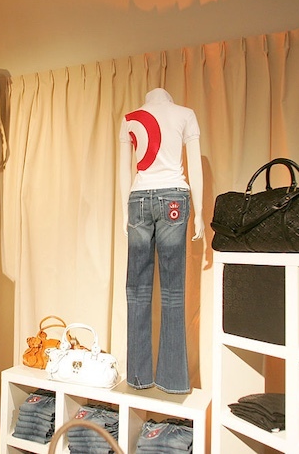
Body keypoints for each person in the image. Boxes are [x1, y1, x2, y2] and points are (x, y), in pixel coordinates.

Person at [118, 87, 204, 394]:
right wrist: (200, 212)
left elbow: (123, 170)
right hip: (174, 198)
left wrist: (124, 212)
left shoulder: (130, 118)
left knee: (137, 291)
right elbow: (194, 165)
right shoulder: (185, 114)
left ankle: (138, 377)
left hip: (138, 200)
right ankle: (172, 380)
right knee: (173, 290)